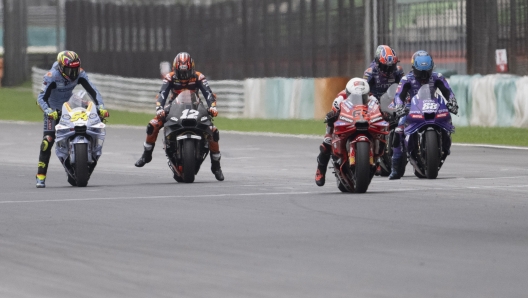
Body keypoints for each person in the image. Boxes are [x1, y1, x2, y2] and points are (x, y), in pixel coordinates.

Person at [134, 52, 224, 181]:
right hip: (173, 106)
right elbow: (162, 94)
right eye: (180, 73)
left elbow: (208, 93)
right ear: (175, 69)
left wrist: (212, 106)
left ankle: (216, 166)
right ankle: (146, 155)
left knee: (213, 131)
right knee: (152, 125)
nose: (183, 76)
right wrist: (159, 108)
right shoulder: (169, 78)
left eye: (186, 72)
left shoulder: (199, 77)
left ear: (192, 69)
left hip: (195, 106)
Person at [35, 50, 109, 188]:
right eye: (70, 70)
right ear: (62, 67)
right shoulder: (52, 76)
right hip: (54, 111)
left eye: (75, 69)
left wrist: (101, 107)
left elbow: (93, 90)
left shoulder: (80, 73)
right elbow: (40, 98)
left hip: (69, 108)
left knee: (87, 128)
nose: (73, 73)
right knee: (47, 141)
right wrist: (49, 111)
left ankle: (81, 166)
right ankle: (40, 176)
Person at [389, 50, 459, 180]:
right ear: (413, 68)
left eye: (426, 72)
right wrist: (399, 107)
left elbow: (448, 92)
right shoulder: (406, 79)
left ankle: (444, 146)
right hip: (412, 108)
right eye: (420, 72)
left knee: (448, 123)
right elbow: (399, 96)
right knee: (399, 129)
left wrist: (452, 102)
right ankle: (395, 168)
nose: (423, 76)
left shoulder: (438, 77)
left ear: (431, 68)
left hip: (433, 105)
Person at [314, 78, 374, 186]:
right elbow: (333, 114)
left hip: (364, 121)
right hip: (344, 122)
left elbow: (377, 110)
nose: (359, 99)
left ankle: (379, 159)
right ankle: (320, 169)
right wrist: (331, 115)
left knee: (381, 133)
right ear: (349, 94)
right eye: (355, 97)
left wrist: (384, 114)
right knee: (327, 142)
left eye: (363, 96)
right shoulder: (340, 99)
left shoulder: (372, 98)